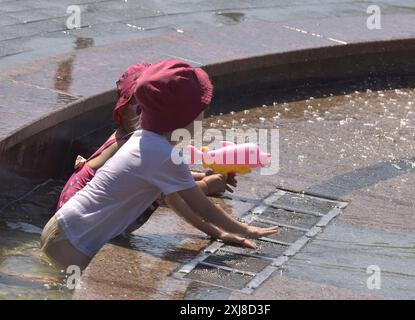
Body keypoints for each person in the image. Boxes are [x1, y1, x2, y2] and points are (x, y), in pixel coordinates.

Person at [41, 58, 278, 271]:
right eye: (201, 111)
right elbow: (203, 207)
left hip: (62, 229)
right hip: (72, 242)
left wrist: (219, 233)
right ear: (183, 117)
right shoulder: (161, 154)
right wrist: (246, 230)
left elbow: (177, 202)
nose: (204, 117)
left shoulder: (145, 140)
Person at [55, 62, 236, 236]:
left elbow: (164, 171)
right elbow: (169, 192)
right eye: (142, 109)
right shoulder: (130, 143)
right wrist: (206, 186)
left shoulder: (133, 138)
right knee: (153, 189)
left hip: (78, 213)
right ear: (123, 110)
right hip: (84, 222)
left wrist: (203, 175)